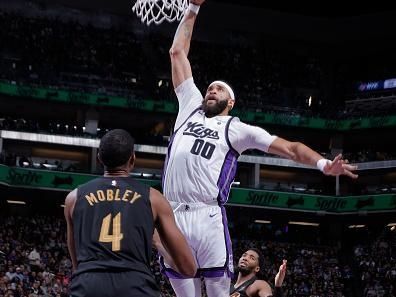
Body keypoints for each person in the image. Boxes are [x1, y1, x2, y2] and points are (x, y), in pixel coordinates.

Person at [162, 1, 358, 296]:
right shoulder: (190, 107)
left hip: (207, 215)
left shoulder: (237, 128)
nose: (211, 90)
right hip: (172, 214)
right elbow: (177, 52)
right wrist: (193, 7)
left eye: (219, 89)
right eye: (209, 87)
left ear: (230, 102)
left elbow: (290, 147)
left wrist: (322, 164)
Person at [64, 129, 196, 297]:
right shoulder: (154, 199)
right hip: (136, 285)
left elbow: (77, 264)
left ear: (99, 159)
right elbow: (188, 268)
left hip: (88, 285)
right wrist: (158, 244)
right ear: (132, 159)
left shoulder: (73, 199)